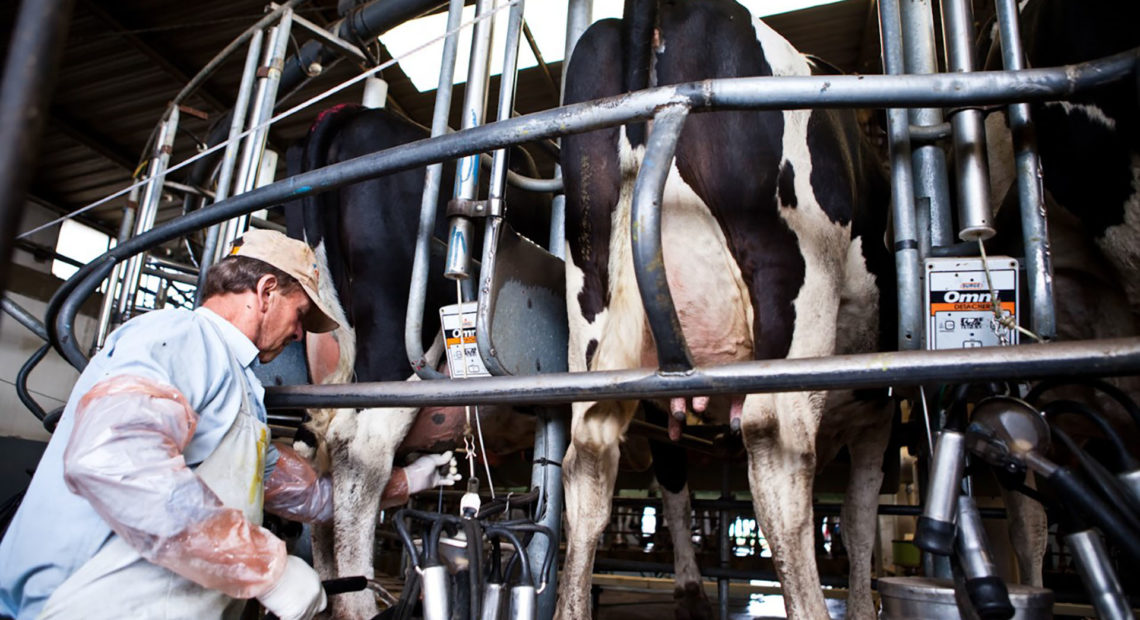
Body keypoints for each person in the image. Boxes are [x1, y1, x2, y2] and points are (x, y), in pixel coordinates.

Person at [0, 230, 458, 620]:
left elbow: (306, 496)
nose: (299, 334)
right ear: (265, 292)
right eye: (300, 314)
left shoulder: (239, 388)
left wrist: (408, 481)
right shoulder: (180, 338)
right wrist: (267, 569)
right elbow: (115, 460)